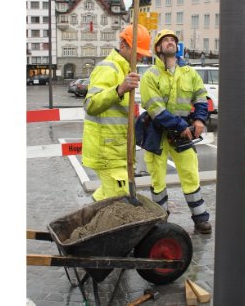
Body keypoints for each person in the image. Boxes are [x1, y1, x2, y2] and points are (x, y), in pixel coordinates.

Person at [139, 29, 212, 234]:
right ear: (158, 48)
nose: (170, 42)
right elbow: (156, 109)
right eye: (165, 40)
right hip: (158, 134)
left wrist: (199, 119)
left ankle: (200, 218)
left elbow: (201, 96)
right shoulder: (150, 76)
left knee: (190, 174)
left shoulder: (189, 73)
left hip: (184, 134)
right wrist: (180, 126)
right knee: (157, 178)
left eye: (173, 40)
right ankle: (160, 220)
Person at [81, 24, 151, 202]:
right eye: (138, 52)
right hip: (108, 152)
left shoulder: (126, 70)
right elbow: (90, 104)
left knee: (107, 199)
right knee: (119, 203)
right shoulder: (108, 68)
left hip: (118, 151)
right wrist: (119, 90)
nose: (141, 57)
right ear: (123, 45)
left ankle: (87, 225)